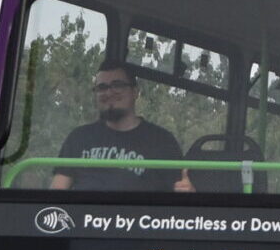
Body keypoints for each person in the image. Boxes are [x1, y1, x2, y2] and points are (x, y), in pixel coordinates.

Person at [51, 61, 195, 192]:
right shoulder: (79, 137)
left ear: (135, 92)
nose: (108, 92)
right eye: (102, 87)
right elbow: (57, 192)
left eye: (117, 85)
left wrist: (188, 191)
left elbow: (183, 194)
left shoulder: (162, 141)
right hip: (82, 219)